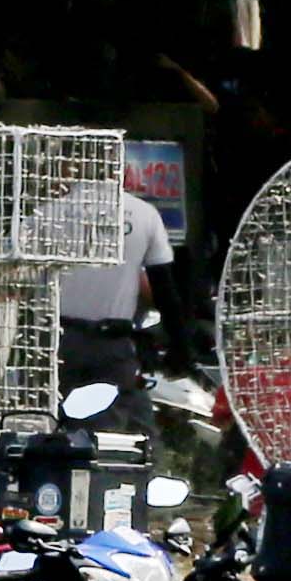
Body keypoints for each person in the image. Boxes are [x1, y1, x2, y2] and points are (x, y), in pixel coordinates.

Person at [48, 178, 174, 437]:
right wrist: (180, 347)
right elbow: (163, 289)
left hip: (59, 340)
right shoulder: (143, 214)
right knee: (109, 431)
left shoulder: (50, 213)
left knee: (56, 422)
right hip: (112, 343)